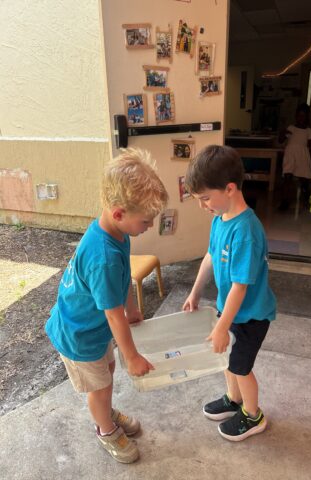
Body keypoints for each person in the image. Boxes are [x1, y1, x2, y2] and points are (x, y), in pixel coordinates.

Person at [45, 148, 168, 463]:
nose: (149, 226)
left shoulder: (117, 234)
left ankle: (106, 411)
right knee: (99, 386)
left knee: (107, 374)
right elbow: (113, 316)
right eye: (146, 220)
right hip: (79, 335)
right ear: (118, 213)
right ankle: (105, 430)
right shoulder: (103, 257)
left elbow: (123, 280)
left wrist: (132, 308)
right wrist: (133, 356)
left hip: (92, 328)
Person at [183, 145, 276, 442]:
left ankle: (253, 415)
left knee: (240, 365)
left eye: (206, 198)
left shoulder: (246, 230)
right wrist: (196, 292)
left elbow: (240, 285)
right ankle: (232, 399)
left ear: (230, 188)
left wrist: (223, 327)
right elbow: (210, 256)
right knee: (226, 360)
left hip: (252, 315)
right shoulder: (219, 219)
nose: (203, 205)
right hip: (230, 309)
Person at [278, 103, 311, 210]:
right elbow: (281, 140)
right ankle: (284, 202)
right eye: (299, 116)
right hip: (290, 155)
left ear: (307, 117)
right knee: (287, 178)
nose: (301, 118)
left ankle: (306, 199)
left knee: (304, 179)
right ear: (296, 116)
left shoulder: (309, 131)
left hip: (302, 156)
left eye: (303, 116)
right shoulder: (291, 128)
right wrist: (283, 132)